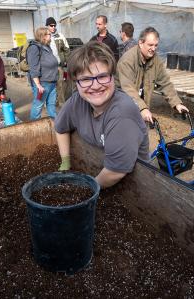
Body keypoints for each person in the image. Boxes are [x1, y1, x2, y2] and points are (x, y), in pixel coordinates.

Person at [54, 41, 149, 189]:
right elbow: (61, 129)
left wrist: (84, 191)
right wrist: (66, 162)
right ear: (76, 83)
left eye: (103, 76)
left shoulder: (122, 113)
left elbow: (115, 173)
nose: (96, 85)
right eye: (85, 79)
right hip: (98, 171)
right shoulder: (77, 101)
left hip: (131, 187)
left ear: (112, 77)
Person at [116, 27, 188, 123]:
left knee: (142, 133)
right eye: (150, 45)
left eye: (156, 45)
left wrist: (177, 103)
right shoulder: (127, 61)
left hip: (140, 105)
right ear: (141, 43)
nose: (153, 49)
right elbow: (128, 89)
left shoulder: (155, 60)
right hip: (122, 107)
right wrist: (143, 108)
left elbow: (165, 83)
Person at [27, 27, 59, 120]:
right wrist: (38, 85)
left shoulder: (46, 47)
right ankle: (34, 125)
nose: (51, 36)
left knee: (51, 104)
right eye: (49, 34)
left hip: (52, 81)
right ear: (43, 36)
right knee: (38, 105)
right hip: (43, 83)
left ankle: (54, 123)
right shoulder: (34, 48)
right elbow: (33, 67)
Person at [45, 17, 71, 105]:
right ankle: (51, 102)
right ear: (47, 26)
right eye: (51, 25)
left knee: (61, 84)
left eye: (54, 25)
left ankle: (61, 103)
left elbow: (67, 49)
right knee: (50, 85)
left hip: (59, 66)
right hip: (48, 67)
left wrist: (67, 62)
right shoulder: (44, 37)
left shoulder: (60, 36)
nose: (53, 27)